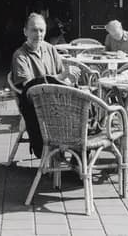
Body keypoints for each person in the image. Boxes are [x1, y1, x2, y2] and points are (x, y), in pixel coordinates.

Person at [11, 13, 79, 158]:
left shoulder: (50, 49)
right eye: (34, 30)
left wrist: (69, 79)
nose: (38, 34)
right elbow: (30, 88)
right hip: (39, 108)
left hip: (59, 103)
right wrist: (61, 77)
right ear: (25, 32)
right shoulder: (20, 55)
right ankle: (71, 158)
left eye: (41, 30)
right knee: (79, 118)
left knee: (86, 111)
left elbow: (62, 78)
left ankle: (77, 163)